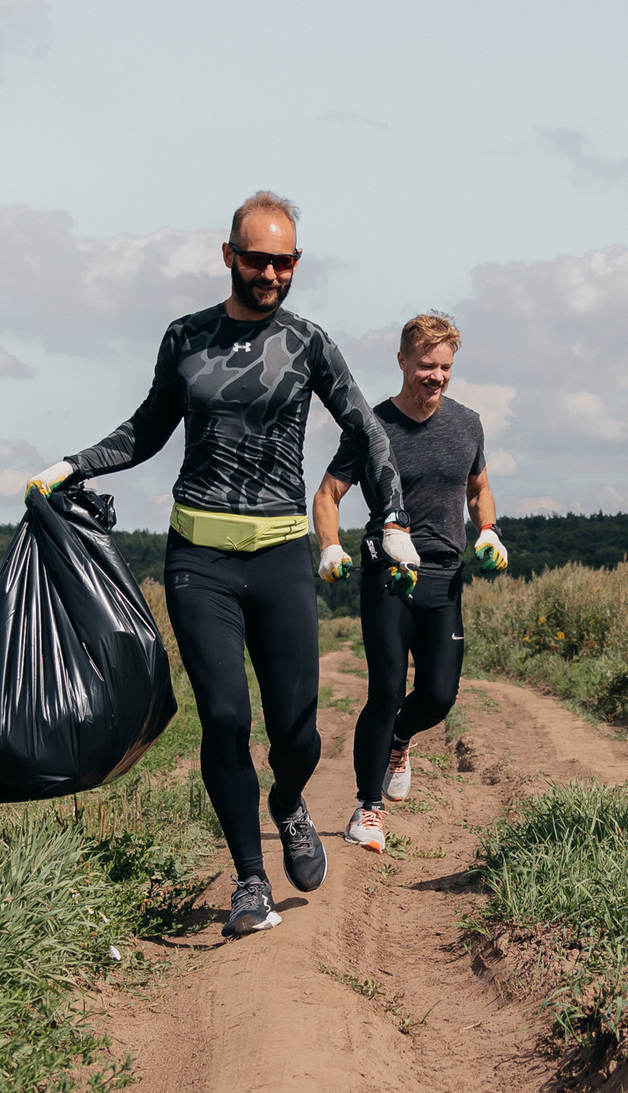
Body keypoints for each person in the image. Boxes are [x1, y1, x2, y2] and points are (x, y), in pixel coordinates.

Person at [28, 191, 417, 939]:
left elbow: (367, 429)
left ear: (296, 263)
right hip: (198, 556)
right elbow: (147, 428)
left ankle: (289, 803)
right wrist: (71, 466)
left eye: (285, 261)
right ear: (229, 255)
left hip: (279, 554)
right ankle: (249, 880)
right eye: (258, 258)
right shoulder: (187, 338)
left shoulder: (308, 343)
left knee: (296, 729)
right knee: (226, 719)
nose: (271, 272)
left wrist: (391, 515)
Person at [310, 312, 506, 853]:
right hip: (388, 574)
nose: (436, 376)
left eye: (444, 367)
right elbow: (327, 494)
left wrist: (488, 529)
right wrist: (329, 545)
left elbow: (478, 487)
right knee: (386, 689)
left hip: (446, 574)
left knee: (440, 696)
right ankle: (366, 809)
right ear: (402, 361)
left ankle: (401, 739)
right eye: (425, 365)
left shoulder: (468, 424)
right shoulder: (372, 427)